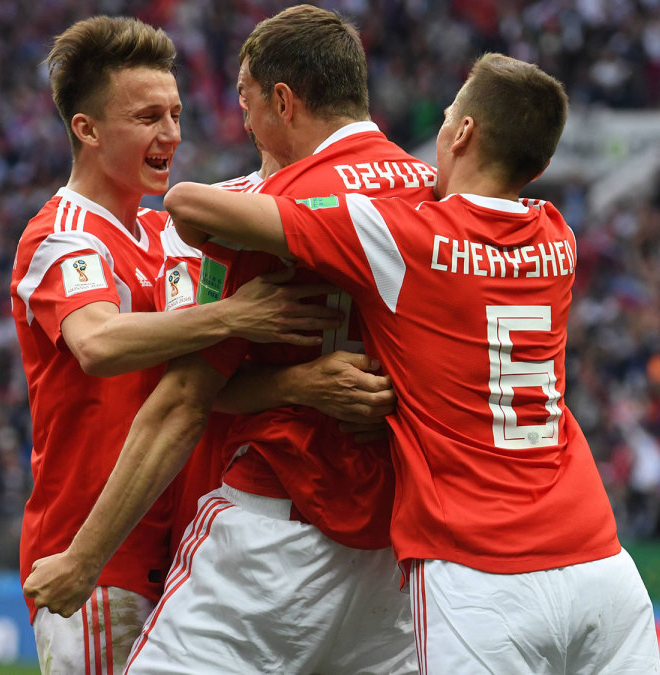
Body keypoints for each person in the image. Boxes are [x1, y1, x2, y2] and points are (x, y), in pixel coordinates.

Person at [164, 52, 660, 673]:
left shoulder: (406, 237)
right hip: (599, 559)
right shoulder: (557, 237)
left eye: (451, 113)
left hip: (480, 569)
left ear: (462, 134)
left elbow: (192, 208)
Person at [23, 7, 432, 673]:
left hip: (190, 528)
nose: (171, 134)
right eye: (148, 117)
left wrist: (282, 369)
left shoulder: (185, 229)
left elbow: (202, 381)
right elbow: (101, 345)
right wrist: (237, 320)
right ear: (87, 129)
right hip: (107, 546)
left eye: (176, 114)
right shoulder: (65, 233)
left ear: (283, 101)